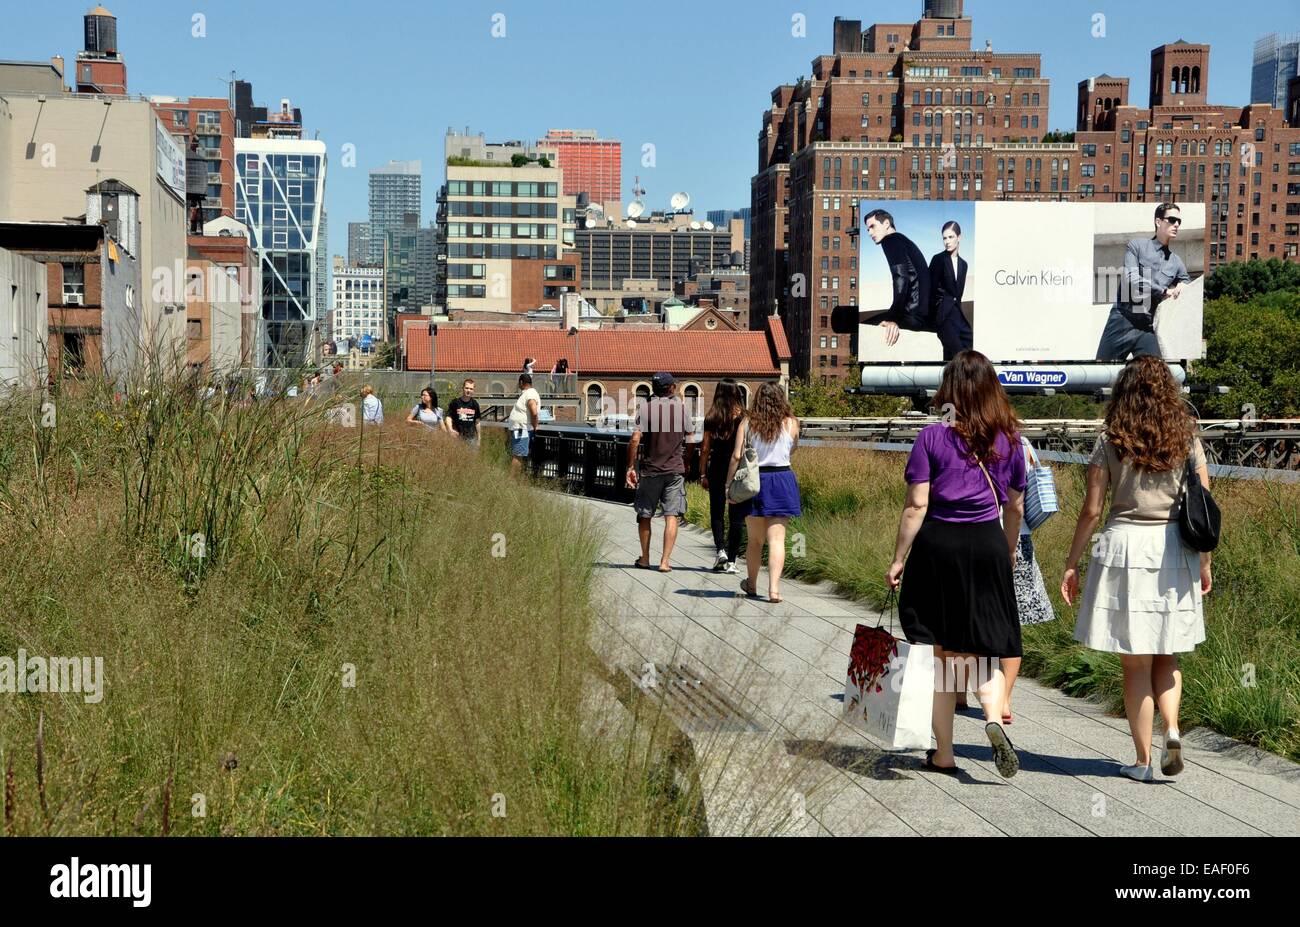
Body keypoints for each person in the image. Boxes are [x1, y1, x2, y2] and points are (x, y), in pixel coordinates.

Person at [1061, 356, 1210, 782]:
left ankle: (1143, 761)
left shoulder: (1111, 437)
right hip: (1174, 548)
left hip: (1125, 547)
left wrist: (1071, 564)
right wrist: (1204, 563)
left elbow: (1091, 510)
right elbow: (1204, 507)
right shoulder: (1187, 437)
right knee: (1168, 652)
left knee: (1135, 663)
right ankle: (1174, 729)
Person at [885, 350, 1025, 778]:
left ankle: (943, 753)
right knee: (981, 649)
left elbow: (916, 505)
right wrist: (1008, 547)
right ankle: (991, 718)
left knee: (942, 654)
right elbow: (1016, 505)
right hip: (986, 543)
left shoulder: (932, 436)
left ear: (949, 390)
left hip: (938, 547)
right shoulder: (1009, 438)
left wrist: (898, 559)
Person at [726, 382, 801, 603]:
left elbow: (736, 456)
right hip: (782, 479)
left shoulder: (747, 423)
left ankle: (751, 583)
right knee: (777, 540)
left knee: (755, 540)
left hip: (755, 481)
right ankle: (774, 589)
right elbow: (792, 449)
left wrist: (728, 485)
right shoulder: (792, 423)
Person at [1002, 435, 1057, 723]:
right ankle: (1004, 698)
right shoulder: (1020, 443)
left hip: (978, 533)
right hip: (1018, 538)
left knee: (971, 617)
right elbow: (1021, 499)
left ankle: (960, 690)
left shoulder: (969, 437)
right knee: (1013, 622)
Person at [1096, 202, 1190, 362]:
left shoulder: (1176, 261)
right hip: (1123, 319)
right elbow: (1131, 278)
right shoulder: (1137, 246)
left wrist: (1182, 284)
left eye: (1179, 222)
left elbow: (1186, 280)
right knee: (1101, 371)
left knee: (1156, 377)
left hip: (1146, 327)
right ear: (1158, 221)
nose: (1176, 225)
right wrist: (1164, 291)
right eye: (1172, 219)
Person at [625, 372, 691, 572]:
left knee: (645, 514)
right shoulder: (681, 409)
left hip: (650, 470)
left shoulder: (645, 409)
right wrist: (686, 463)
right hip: (674, 471)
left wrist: (630, 466)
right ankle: (665, 562)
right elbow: (691, 439)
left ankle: (645, 558)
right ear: (670, 388)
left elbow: (635, 439)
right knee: (672, 515)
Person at [854, 209, 934, 348]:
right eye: (867, 229)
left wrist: (893, 318)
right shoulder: (904, 240)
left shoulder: (890, 240)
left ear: (886, 223)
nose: (869, 233)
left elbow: (901, 278)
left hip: (911, 317)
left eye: (872, 227)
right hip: (922, 317)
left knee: (860, 328)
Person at [699, 379, 748, 573]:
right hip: (737, 468)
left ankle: (720, 551)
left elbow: (705, 448)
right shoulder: (743, 417)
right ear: (737, 393)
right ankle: (733, 561)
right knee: (736, 515)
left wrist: (702, 472)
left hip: (717, 467)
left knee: (717, 511)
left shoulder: (711, 417)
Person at [928, 220, 972, 361]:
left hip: (958, 316)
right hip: (943, 316)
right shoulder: (938, 260)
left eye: (951, 237)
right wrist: (935, 316)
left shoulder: (964, 265)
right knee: (958, 355)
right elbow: (930, 289)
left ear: (959, 237)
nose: (947, 241)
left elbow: (957, 295)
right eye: (944, 238)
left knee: (969, 345)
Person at [508, 373, 540, 476]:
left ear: (521, 382)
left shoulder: (530, 393)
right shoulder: (527, 393)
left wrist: (535, 426)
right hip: (520, 428)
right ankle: (515, 478)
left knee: (518, 454)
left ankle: (512, 480)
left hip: (522, 428)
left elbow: (534, 411)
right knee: (518, 454)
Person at [444, 378, 483, 448]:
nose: (468, 390)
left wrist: (479, 438)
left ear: (473, 390)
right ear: (463, 388)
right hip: (457, 438)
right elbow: (448, 417)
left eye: (471, 389)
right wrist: (450, 430)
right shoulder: (455, 402)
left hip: (471, 438)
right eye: (467, 388)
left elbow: (477, 422)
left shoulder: (475, 404)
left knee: (471, 458)